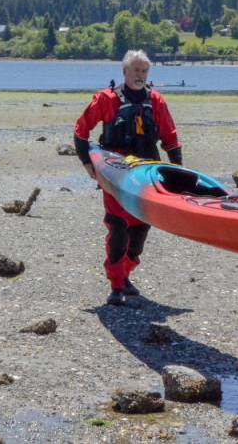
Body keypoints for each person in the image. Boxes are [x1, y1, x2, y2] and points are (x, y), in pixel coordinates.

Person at [74, 50, 183, 306]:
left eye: (144, 71)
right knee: (118, 227)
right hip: (116, 173)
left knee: (140, 230)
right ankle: (116, 285)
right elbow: (81, 131)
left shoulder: (156, 101)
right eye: (135, 70)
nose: (140, 75)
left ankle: (125, 274)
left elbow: (170, 137)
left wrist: (178, 172)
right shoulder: (106, 99)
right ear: (124, 71)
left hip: (146, 173)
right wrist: (87, 162)